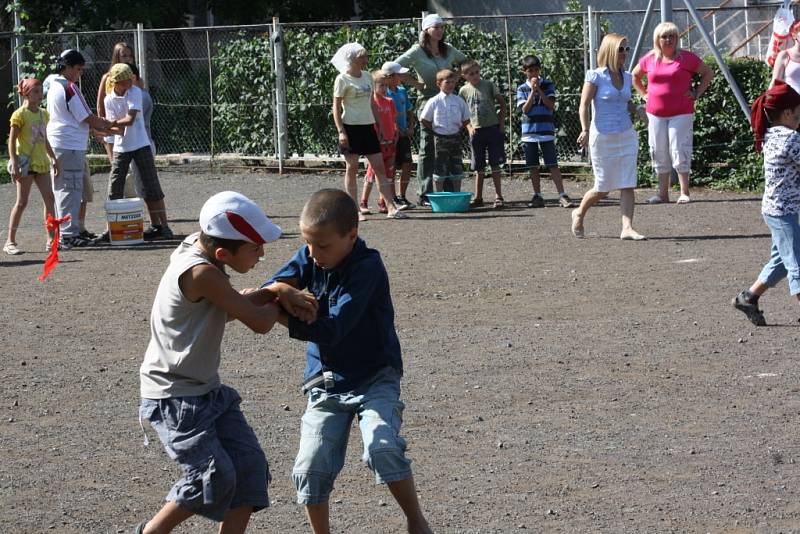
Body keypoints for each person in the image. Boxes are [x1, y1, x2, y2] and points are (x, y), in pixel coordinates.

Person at [135, 191, 318, 534]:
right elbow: (259, 322)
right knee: (212, 475)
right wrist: (281, 293)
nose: (261, 254)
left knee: (248, 469)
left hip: (205, 391)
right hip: (174, 397)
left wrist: (276, 290)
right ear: (222, 252)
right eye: (254, 248)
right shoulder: (202, 273)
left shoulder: (200, 249)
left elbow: (234, 303)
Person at [263, 189, 433, 534]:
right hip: (325, 381)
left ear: (351, 236)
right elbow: (269, 287)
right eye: (308, 244)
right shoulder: (310, 257)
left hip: (375, 376)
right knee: (310, 466)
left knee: (382, 446)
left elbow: (333, 329)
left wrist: (283, 312)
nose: (313, 254)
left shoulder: (367, 267)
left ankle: (416, 523)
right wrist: (284, 291)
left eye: (322, 246)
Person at [732, 81, 800, 326]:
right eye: (799, 113)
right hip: (784, 211)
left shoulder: (770, 134)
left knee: (782, 260)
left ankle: (749, 297)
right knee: (797, 262)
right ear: (788, 113)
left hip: (776, 208)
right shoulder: (791, 138)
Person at [573, 34, 646, 241]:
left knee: (628, 183)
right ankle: (579, 213)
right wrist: (585, 130)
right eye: (620, 49)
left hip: (626, 134)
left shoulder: (628, 76)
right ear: (609, 51)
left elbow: (624, 103)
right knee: (602, 187)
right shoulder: (595, 76)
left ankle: (627, 228)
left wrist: (638, 109)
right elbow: (584, 105)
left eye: (626, 49)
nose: (624, 54)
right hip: (602, 136)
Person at [632, 21, 714, 204]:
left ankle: (684, 192)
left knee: (679, 148)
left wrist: (697, 93)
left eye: (672, 36)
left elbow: (708, 73)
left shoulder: (687, 58)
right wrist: (644, 94)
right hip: (654, 113)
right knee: (658, 150)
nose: (668, 40)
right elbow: (635, 76)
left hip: (681, 112)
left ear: (677, 39)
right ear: (657, 40)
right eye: (664, 36)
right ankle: (663, 194)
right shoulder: (649, 58)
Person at [394, 13, 467, 206]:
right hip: (427, 101)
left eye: (442, 27)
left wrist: (456, 77)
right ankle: (424, 193)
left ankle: (450, 192)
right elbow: (394, 67)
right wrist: (415, 83)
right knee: (428, 147)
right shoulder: (417, 50)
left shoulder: (448, 50)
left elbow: (468, 63)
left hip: (448, 101)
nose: (440, 30)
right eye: (436, 27)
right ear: (426, 30)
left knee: (450, 145)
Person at [96, 63, 172, 242]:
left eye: (129, 80)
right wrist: (104, 130)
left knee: (151, 186)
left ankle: (163, 226)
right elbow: (120, 131)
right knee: (114, 188)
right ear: (115, 82)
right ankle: (111, 229)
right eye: (124, 82)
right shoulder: (109, 100)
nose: (129, 85)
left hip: (141, 145)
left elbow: (129, 120)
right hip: (121, 148)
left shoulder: (135, 92)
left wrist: (107, 125)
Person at [330, 43, 407, 221]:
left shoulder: (366, 76)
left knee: (380, 167)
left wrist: (378, 124)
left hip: (368, 127)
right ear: (353, 59)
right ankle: (355, 210)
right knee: (353, 167)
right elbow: (336, 107)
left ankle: (390, 207)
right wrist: (341, 131)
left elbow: (372, 103)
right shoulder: (342, 79)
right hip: (350, 127)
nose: (366, 59)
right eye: (363, 56)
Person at [46, 49, 112, 248]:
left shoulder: (54, 84)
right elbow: (85, 116)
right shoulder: (68, 88)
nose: (80, 73)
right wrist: (107, 124)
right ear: (67, 67)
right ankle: (67, 235)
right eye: (78, 68)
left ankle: (72, 231)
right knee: (69, 190)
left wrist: (95, 129)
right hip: (68, 146)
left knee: (72, 190)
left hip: (66, 145)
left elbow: (76, 118)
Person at [4, 79, 59, 255]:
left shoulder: (44, 114)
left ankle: (51, 239)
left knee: (49, 199)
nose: (39, 94)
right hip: (25, 163)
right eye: (35, 91)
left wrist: (53, 157)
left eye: (40, 90)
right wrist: (14, 162)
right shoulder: (20, 115)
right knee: (22, 202)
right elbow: (11, 141)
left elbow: (44, 138)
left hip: (41, 162)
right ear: (26, 93)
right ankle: (9, 241)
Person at [516, 55, 574, 209]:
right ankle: (538, 195)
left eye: (536, 70)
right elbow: (525, 110)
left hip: (546, 131)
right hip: (529, 133)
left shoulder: (548, 85)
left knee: (552, 164)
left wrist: (539, 91)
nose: (534, 73)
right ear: (524, 72)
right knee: (533, 166)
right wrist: (532, 92)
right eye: (530, 71)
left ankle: (562, 195)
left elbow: (550, 105)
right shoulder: (521, 88)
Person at [459, 59, 507, 209]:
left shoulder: (489, 85)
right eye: (471, 74)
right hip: (476, 131)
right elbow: (462, 112)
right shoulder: (463, 91)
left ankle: (498, 196)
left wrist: (501, 123)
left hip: (492, 128)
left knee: (495, 164)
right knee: (478, 166)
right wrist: (469, 128)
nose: (475, 76)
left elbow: (502, 103)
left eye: (477, 72)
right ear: (464, 75)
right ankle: (478, 196)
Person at [419, 69, 471, 193]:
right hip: (440, 138)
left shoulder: (458, 101)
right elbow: (424, 119)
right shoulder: (434, 101)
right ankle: (439, 194)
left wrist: (458, 128)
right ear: (439, 84)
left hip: (455, 137)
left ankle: (457, 193)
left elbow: (466, 118)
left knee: (456, 164)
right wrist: (435, 130)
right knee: (439, 165)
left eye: (453, 82)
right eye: (447, 82)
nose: (451, 85)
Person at [361, 70, 401, 215]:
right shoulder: (371, 103)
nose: (384, 88)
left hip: (390, 142)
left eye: (386, 85)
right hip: (377, 143)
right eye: (381, 85)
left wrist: (396, 132)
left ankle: (382, 202)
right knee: (372, 174)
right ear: (373, 86)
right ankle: (363, 201)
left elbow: (393, 120)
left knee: (388, 175)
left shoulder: (390, 102)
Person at [382, 61, 417, 209]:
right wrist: (396, 129)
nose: (402, 76)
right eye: (399, 74)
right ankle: (393, 198)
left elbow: (409, 110)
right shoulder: (384, 93)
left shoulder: (402, 90)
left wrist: (410, 127)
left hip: (404, 135)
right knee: (392, 167)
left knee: (407, 164)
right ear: (390, 76)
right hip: (391, 137)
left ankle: (402, 196)